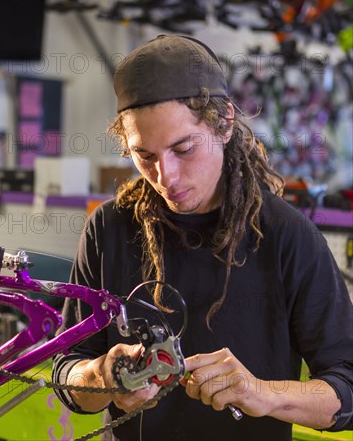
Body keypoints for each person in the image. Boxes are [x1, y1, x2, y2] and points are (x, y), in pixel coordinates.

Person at [53, 34, 353, 441]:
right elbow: (67, 368)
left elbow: (346, 388)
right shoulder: (109, 228)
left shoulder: (287, 236)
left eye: (184, 148)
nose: (166, 177)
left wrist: (261, 393)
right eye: (145, 156)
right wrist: (101, 375)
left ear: (224, 122)